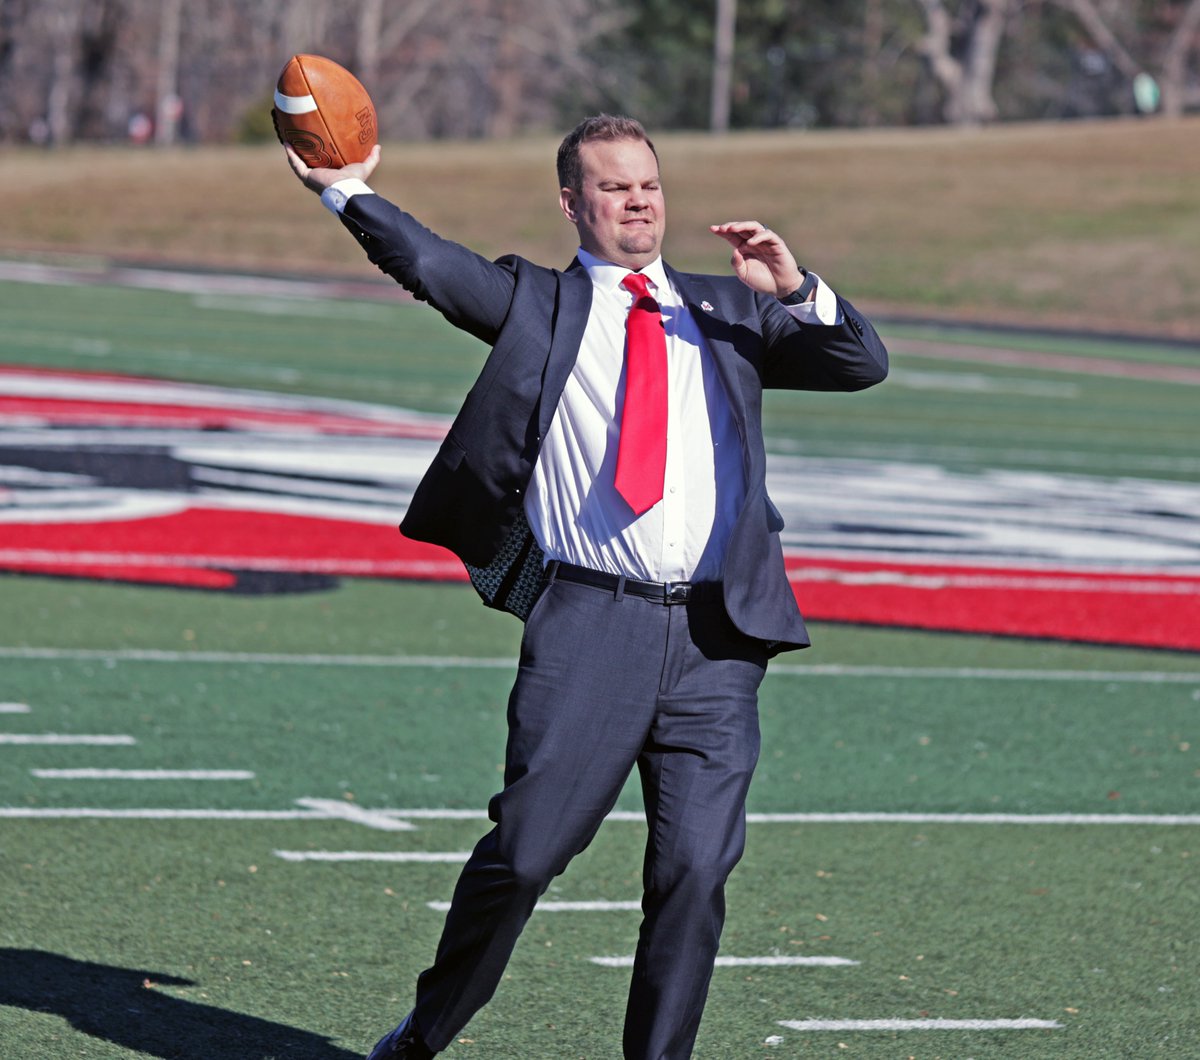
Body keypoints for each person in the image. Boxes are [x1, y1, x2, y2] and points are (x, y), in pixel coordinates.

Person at [284, 114, 888, 1060]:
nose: (638, 202)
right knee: (527, 855)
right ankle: (426, 1031)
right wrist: (341, 187)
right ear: (573, 204)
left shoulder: (730, 307)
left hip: (717, 641)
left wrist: (797, 288)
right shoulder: (539, 303)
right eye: (614, 187)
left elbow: (860, 364)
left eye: (648, 184)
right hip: (591, 625)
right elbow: (432, 265)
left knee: (695, 873)